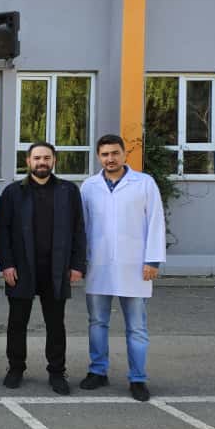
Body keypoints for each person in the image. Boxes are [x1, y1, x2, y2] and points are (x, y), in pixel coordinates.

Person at [79, 134, 166, 402]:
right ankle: (98, 371)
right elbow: (82, 227)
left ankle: (137, 378)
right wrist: (79, 262)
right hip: (99, 264)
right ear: (98, 156)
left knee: (137, 327)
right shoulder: (89, 186)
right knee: (97, 322)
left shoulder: (144, 183)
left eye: (115, 153)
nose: (110, 158)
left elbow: (156, 221)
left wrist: (153, 260)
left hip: (135, 266)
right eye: (105, 154)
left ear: (124, 154)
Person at [0, 142, 87, 394]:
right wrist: (6, 264)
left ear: (54, 160)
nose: (42, 162)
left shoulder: (68, 191)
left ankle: (57, 372)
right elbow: (2, 232)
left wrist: (77, 264)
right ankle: (15, 368)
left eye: (46, 158)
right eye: (37, 158)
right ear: (28, 161)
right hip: (21, 268)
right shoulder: (13, 192)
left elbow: (79, 229)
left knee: (56, 324)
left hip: (56, 269)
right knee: (17, 322)